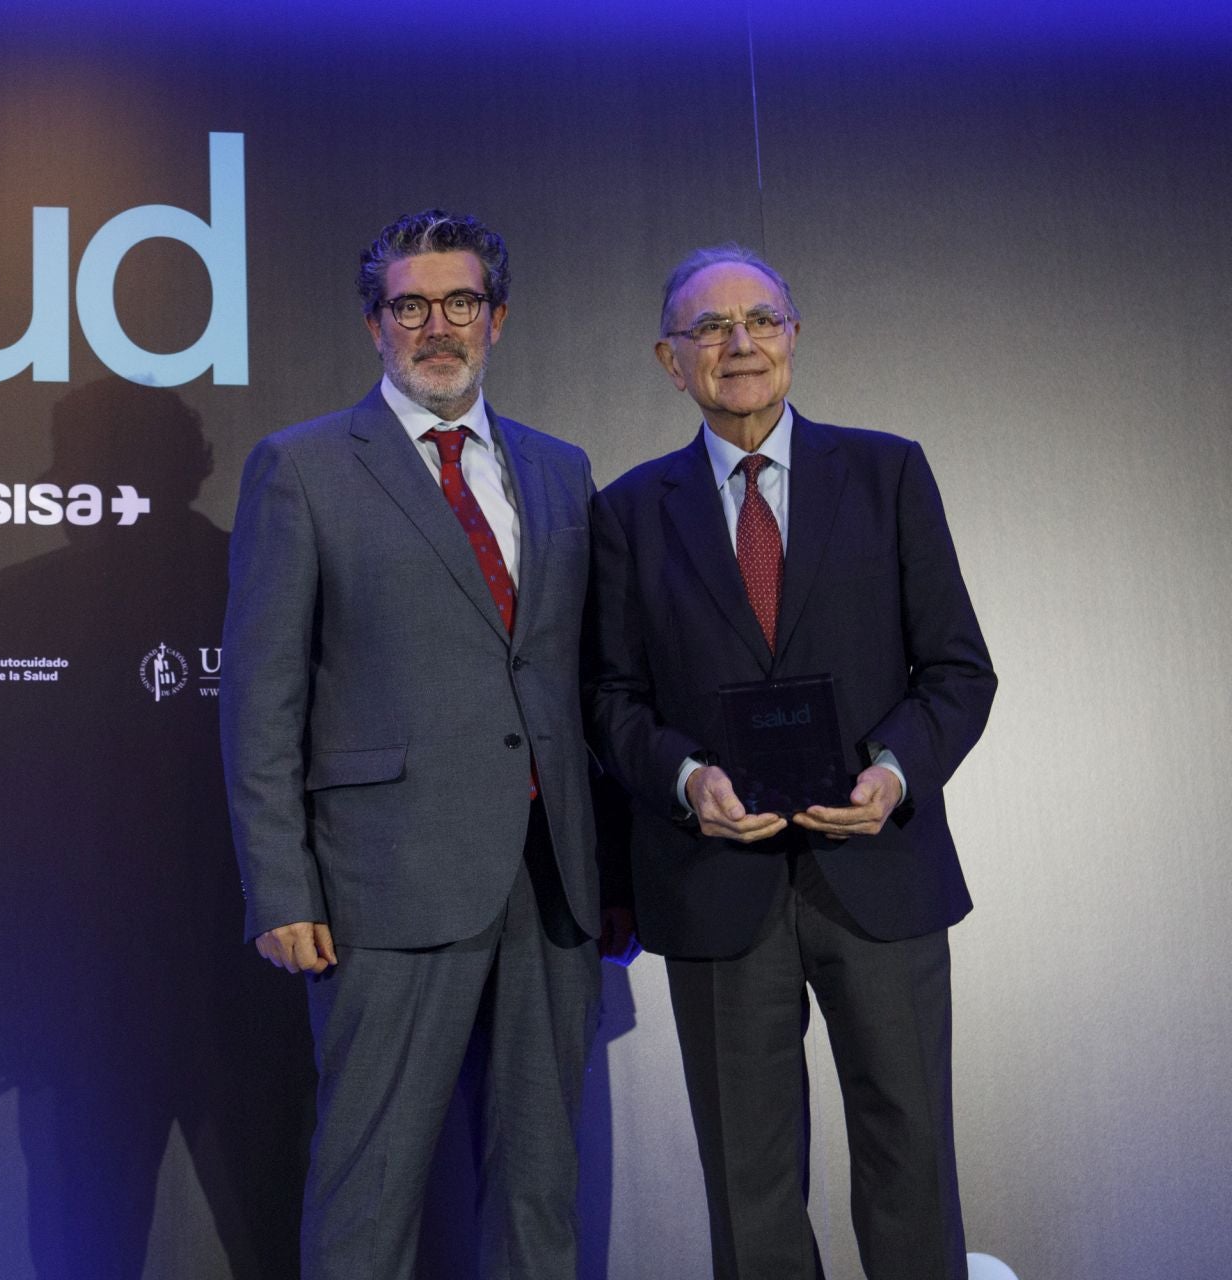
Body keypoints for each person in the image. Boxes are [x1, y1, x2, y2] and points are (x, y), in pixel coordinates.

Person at [220, 209, 630, 1280]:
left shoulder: (559, 468)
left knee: (541, 1191)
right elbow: (260, 701)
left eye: (459, 303)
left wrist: (619, 873)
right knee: (369, 1193)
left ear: (497, 319)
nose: (435, 325)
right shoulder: (302, 468)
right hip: (381, 882)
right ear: (375, 325)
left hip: (552, 885)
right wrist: (281, 885)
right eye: (411, 304)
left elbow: (588, 683)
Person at [592, 244, 997, 1279]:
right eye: (711, 328)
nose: (739, 344)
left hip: (881, 875)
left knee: (913, 1165)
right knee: (750, 1186)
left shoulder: (889, 469)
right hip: (716, 884)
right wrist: (689, 782)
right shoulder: (630, 512)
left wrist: (894, 774)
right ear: (667, 358)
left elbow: (957, 671)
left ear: (795, 336)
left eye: (761, 320)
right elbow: (612, 700)